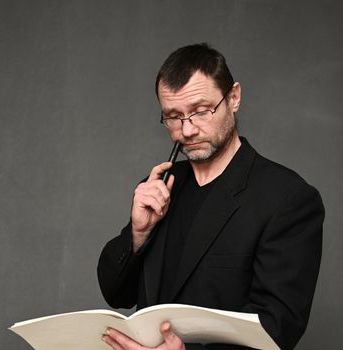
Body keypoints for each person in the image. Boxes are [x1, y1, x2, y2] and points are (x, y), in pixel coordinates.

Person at [97, 43, 324, 350]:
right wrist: (138, 234)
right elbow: (116, 294)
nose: (186, 130)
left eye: (201, 111)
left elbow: (276, 327)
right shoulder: (162, 186)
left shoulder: (288, 199)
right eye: (173, 117)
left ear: (233, 98)